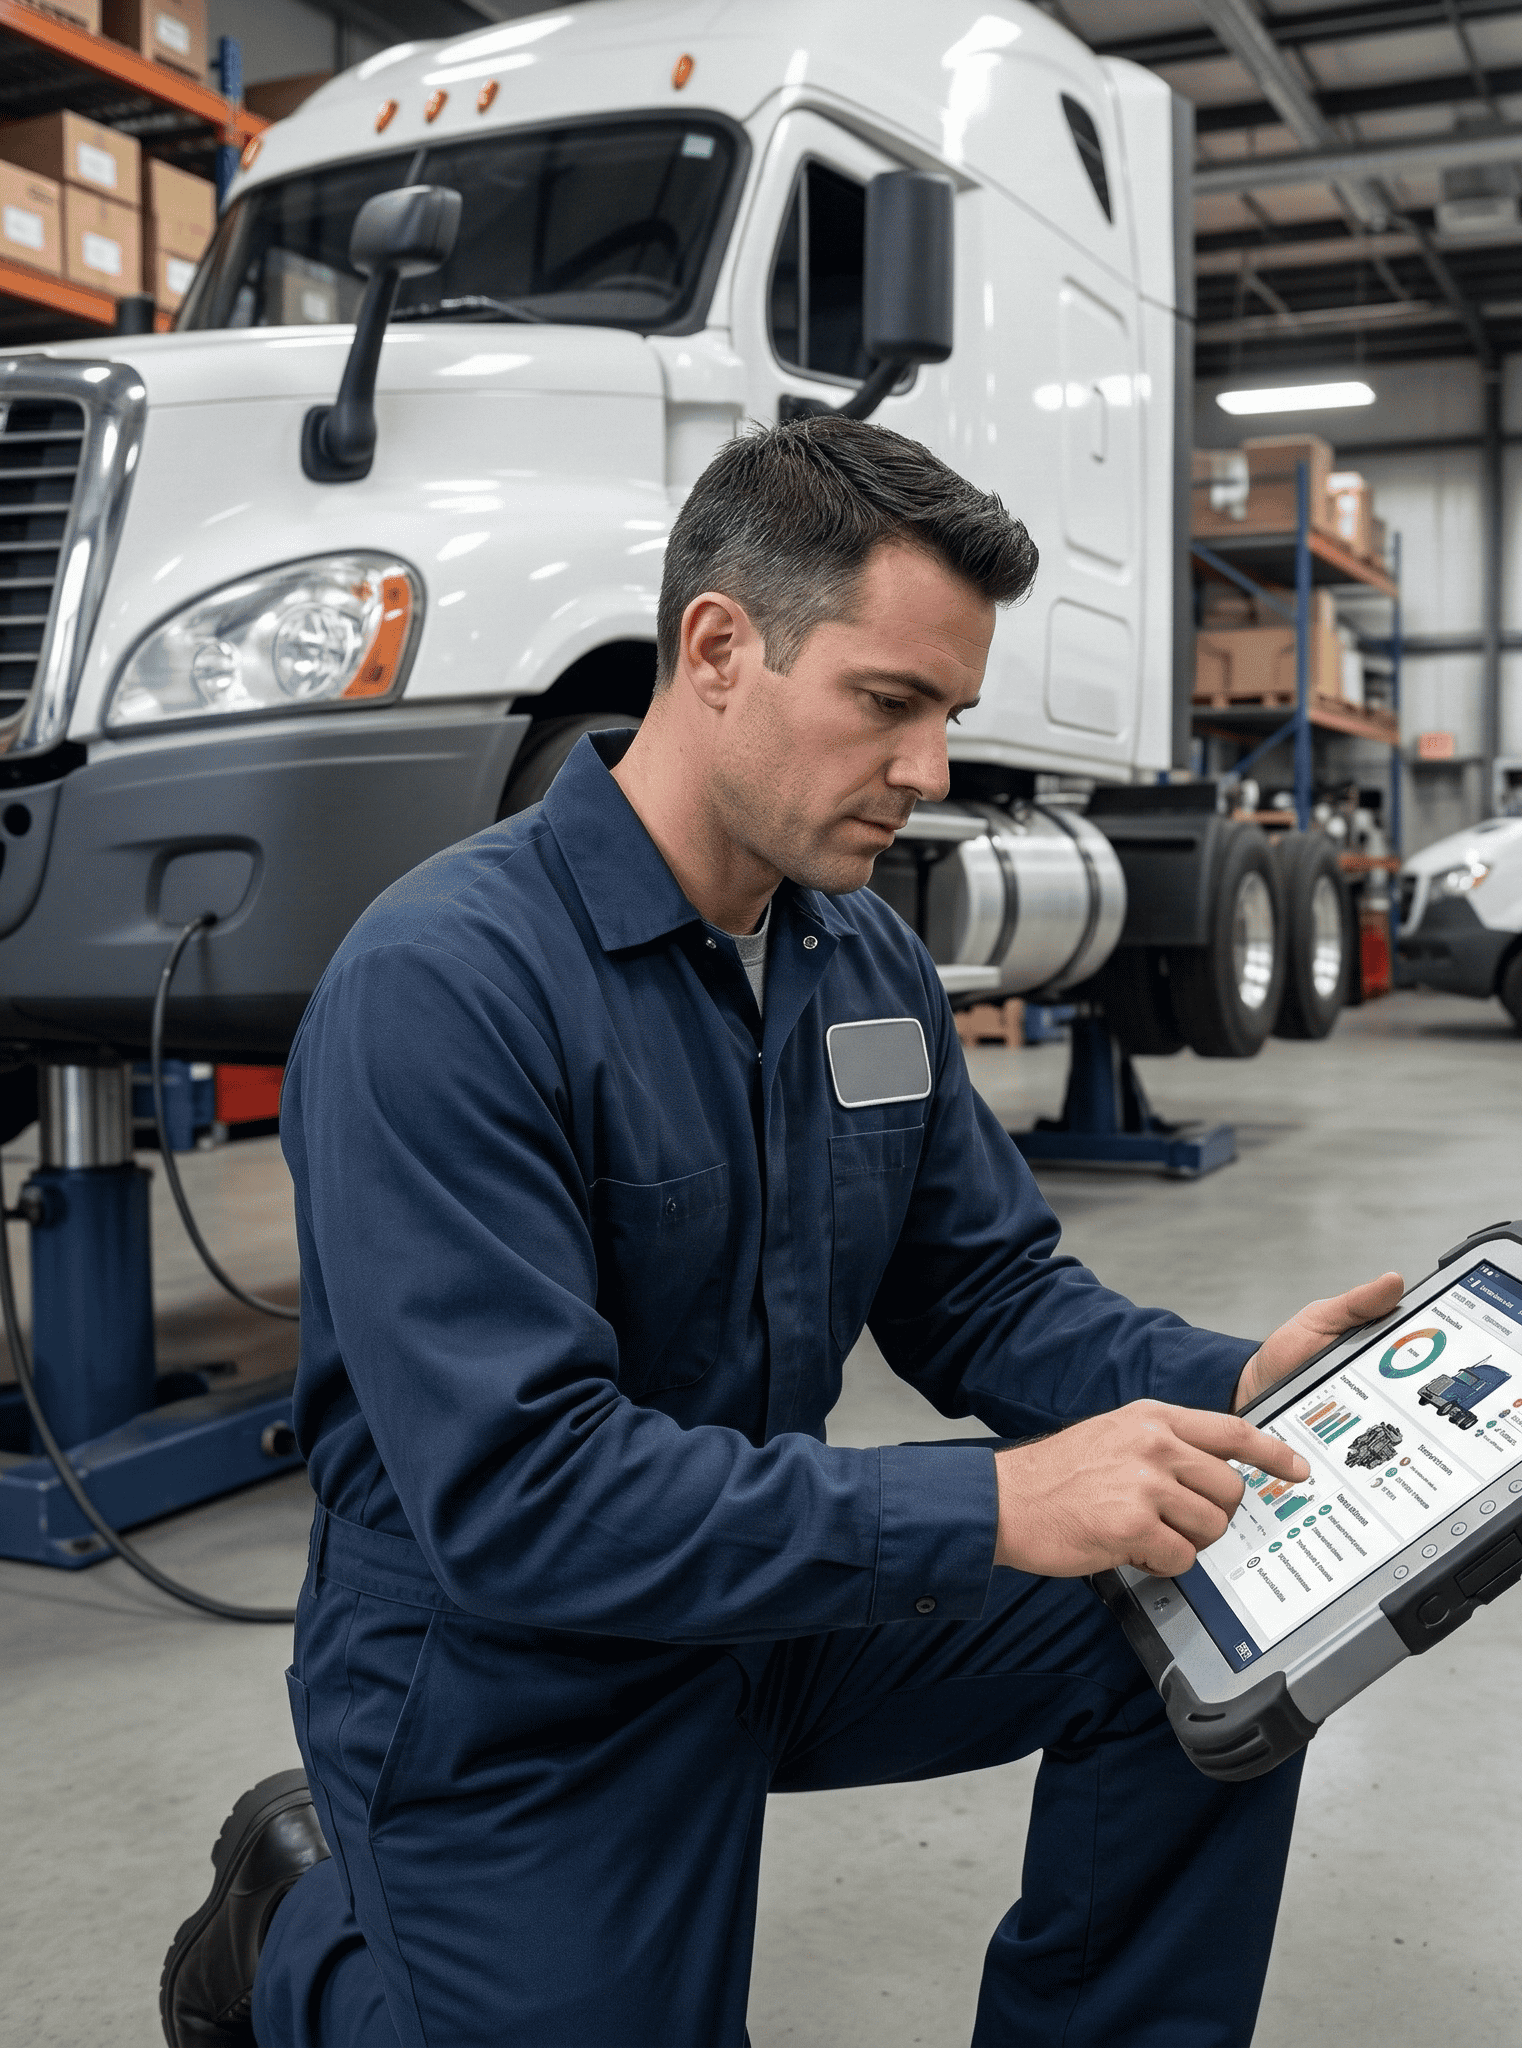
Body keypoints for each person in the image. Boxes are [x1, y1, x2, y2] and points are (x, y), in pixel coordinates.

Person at [160, 417, 1401, 2048]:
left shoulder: (859, 961)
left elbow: (984, 1292)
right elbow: (524, 1496)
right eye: (888, 703)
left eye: (948, 716)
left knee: (1225, 1622)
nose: (931, 771)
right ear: (718, 649)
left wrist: (1232, 1382)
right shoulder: (447, 986)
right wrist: (995, 1502)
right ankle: (297, 1933)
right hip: (512, 1666)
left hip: (767, 1585)